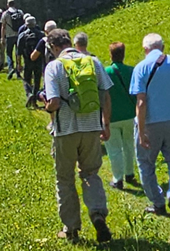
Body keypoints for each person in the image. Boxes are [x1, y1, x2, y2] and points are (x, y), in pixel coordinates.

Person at [42, 28, 114, 243]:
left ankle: (71, 228)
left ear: (54, 47)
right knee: (91, 173)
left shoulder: (54, 66)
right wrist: (106, 124)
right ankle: (98, 214)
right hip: (91, 127)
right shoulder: (92, 61)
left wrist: (46, 107)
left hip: (66, 131)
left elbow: (54, 102)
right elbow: (106, 95)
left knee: (65, 178)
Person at [130, 32, 170, 219]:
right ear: (162, 47)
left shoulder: (140, 68)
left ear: (145, 49)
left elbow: (141, 102)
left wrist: (141, 131)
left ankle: (158, 203)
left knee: (145, 163)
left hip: (151, 122)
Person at [103, 42, 140, 190]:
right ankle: (130, 173)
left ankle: (118, 179)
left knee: (114, 149)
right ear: (123, 54)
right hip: (130, 114)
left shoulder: (106, 72)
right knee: (129, 145)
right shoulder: (132, 71)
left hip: (112, 116)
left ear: (110, 55)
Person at [17, 15, 46, 107]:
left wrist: (19, 64)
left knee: (26, 80)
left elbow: (19, 52)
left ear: (26, 24)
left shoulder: (22, 35)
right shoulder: (41, 35)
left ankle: (29, 93)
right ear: (35, 23)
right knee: (37, 80)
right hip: (38, 61)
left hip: (27, 61)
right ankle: (34, 101)